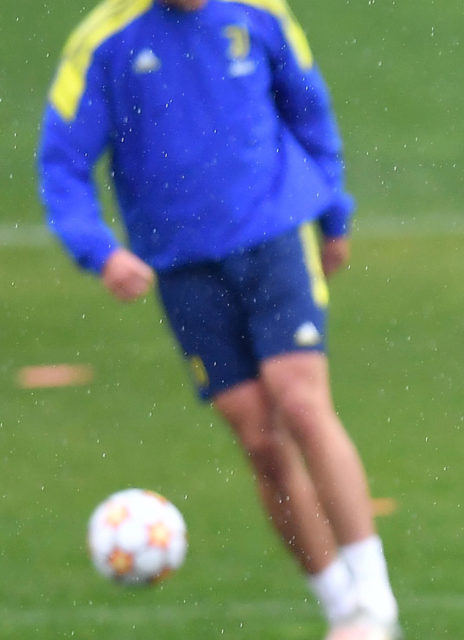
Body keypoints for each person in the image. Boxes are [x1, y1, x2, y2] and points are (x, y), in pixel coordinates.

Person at [37, 1, 400, 638]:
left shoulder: (259, 14)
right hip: (182, 265)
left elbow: (307, 106)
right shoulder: (103, 42)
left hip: (275, 234)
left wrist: (334, 209)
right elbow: (61, 161)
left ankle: (376, 603)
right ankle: (342, 607)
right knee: (260, 439)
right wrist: (101, 251)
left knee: (303, 404)